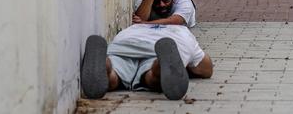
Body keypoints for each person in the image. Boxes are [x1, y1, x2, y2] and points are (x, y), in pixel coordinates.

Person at [81, 24, 213, 100]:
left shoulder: (133, 27)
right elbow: (205, 69)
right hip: (155, 50)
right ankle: (159, 67)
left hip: (123, 46)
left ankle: (106, 65)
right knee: (152, 78)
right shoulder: (182, 31)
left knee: (114, 75)